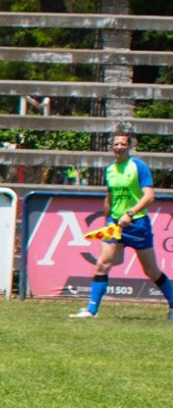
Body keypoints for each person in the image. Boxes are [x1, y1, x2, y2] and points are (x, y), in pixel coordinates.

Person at [74, 130, 173, 320]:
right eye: (116, 144)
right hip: (115, 224)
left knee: (151, 271)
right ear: (111, 147)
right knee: (102, 263)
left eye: (123, 144)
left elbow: (149, 195)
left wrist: (130, 213)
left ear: (129, 147)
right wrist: (107, 220)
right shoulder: (110, 170)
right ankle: (91, 310)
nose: (119, 147)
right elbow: (110, 196)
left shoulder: (138, 167)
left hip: (137, 225)